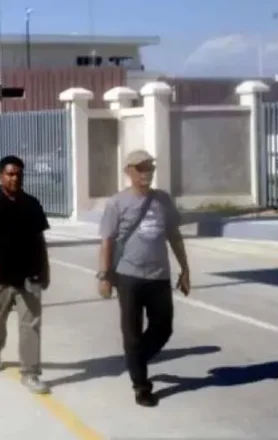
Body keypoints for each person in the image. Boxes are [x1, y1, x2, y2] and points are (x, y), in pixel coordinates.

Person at [97, 149, 191, 408]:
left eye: (150, 167)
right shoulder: (117, 203)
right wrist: (105, 276)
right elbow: (106, 240)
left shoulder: (163, 200)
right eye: (140, 168)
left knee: (164, 328)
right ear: (128, 171)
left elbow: (174, 235)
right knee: (132, 333)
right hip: (128, 276)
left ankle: (135, 360)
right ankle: (141, 386)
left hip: (159, 275)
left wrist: (185, 269)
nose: (146, 172)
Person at [0, 155, 51, 394]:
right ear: (0, 177)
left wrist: (45, 269)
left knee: (31, 325)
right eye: (10, 174)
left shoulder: (32, 204)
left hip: (28, 275)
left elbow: (39, 238)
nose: (14, 178)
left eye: (18, 174)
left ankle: (31, 373)